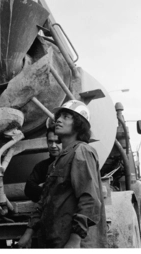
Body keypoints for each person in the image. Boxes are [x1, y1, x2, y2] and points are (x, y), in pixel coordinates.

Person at [18, 100, 107, 248]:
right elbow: (44, 200)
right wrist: (29, 232)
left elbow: (89, 199)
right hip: (54, 241)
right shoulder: (57, 161)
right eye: (58, 117)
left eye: (66, 117)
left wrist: (75, 240)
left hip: (72, 243)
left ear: (79, 124)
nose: (58, 120)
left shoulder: (81, 151)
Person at [24, 128, 62, 202]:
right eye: (50, 141)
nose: (53, 146)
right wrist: (46, 189)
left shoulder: (72, 163)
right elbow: (28, 189)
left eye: (57, 141)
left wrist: (43, 186)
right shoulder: (41, 166)